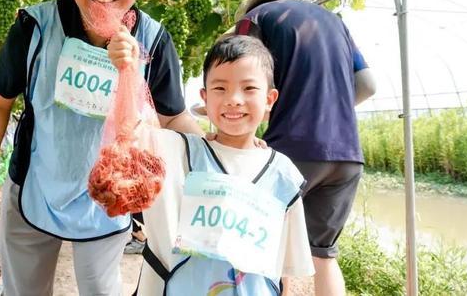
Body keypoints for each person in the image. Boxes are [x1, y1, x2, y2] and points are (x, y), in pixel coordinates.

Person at [0, 0, 204, 296]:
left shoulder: (154, 40)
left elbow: (175, 118)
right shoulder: (34, 27)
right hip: (35, 187)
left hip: (109, 196)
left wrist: (226, 154)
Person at [107, 31, 315, 295]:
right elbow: (131, 129)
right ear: (205, 97)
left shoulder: (283, 175)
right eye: (220, 88)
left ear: (269, 99)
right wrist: (129, 73)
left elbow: (285, 266)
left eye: (249, 88)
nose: (234, 99)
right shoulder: (177, 151)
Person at [232, 0, 376, 296]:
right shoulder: (335, 22)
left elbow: (239, 73)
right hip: (347, 154)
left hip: (292, 149)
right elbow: (368, 85)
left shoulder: (254, 19)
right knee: (324, 255)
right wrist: (328, 109)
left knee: (260, 246)